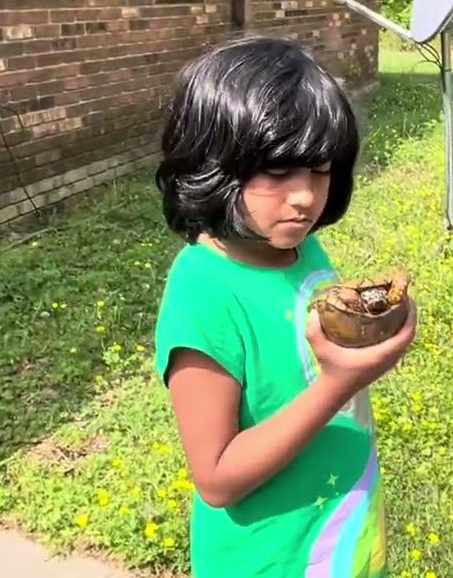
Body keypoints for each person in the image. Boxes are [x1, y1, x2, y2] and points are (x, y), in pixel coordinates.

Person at [151, 35, 417, 577]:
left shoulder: (298, 246)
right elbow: (217, 477)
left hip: (341, 531)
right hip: (270, 557)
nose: (304, 197)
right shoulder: (204, 292)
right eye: (278, 172)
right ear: (212, 163)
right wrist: (339, 384)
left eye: (319, 171)